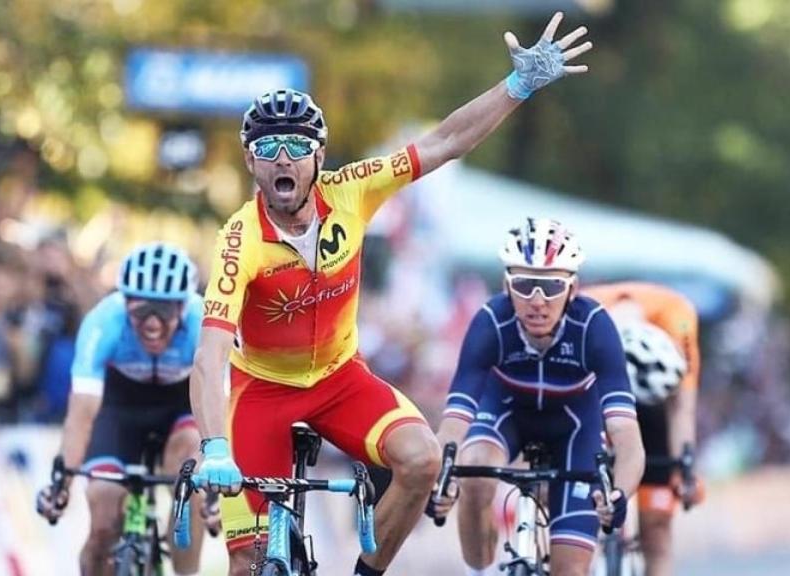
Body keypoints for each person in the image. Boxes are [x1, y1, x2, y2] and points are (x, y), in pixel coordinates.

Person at [189, 12, 595, 576]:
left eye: (296, 145)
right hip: (262, 392)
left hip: (339, 380)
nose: (283, 156)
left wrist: (517, 86)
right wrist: (213, 446)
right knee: (247, 567)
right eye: (268, 146)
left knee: (422, 459)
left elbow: (445, 140)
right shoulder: (239, 239)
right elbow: (210, 355)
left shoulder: (353, 191)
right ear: (251, 161)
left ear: (318, 156)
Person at [432, 218, 646, 576]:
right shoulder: (490, 323)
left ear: (573, 289)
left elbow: (627, 438)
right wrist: (438, 481)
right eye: (524, 284)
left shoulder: (594, 327)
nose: (536, 300)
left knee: (570, 570)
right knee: (475, 471)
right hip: (506, 415)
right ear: (506, 285)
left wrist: (619, 494)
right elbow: (453, 424)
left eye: (550, 286)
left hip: (575, 428)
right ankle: (480, 571)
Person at [35, 243, 209, 576]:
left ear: (184, 308)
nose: (153, 323)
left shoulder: (204, 322)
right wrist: (63, 484)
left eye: (165, 311)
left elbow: (220, 403)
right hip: (118, 413)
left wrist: (214, 472)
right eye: (141, 311)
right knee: (103, 522)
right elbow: (81, 415)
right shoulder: (104, 321)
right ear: (125, 301)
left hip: (181, 409)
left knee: (191, 489)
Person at [582, 282, 703, 576]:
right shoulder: (582, 314)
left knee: (657, 531)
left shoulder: (679, 320)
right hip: (593, 395)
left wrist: (683, 470)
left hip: (654, 409)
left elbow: (681, 409)